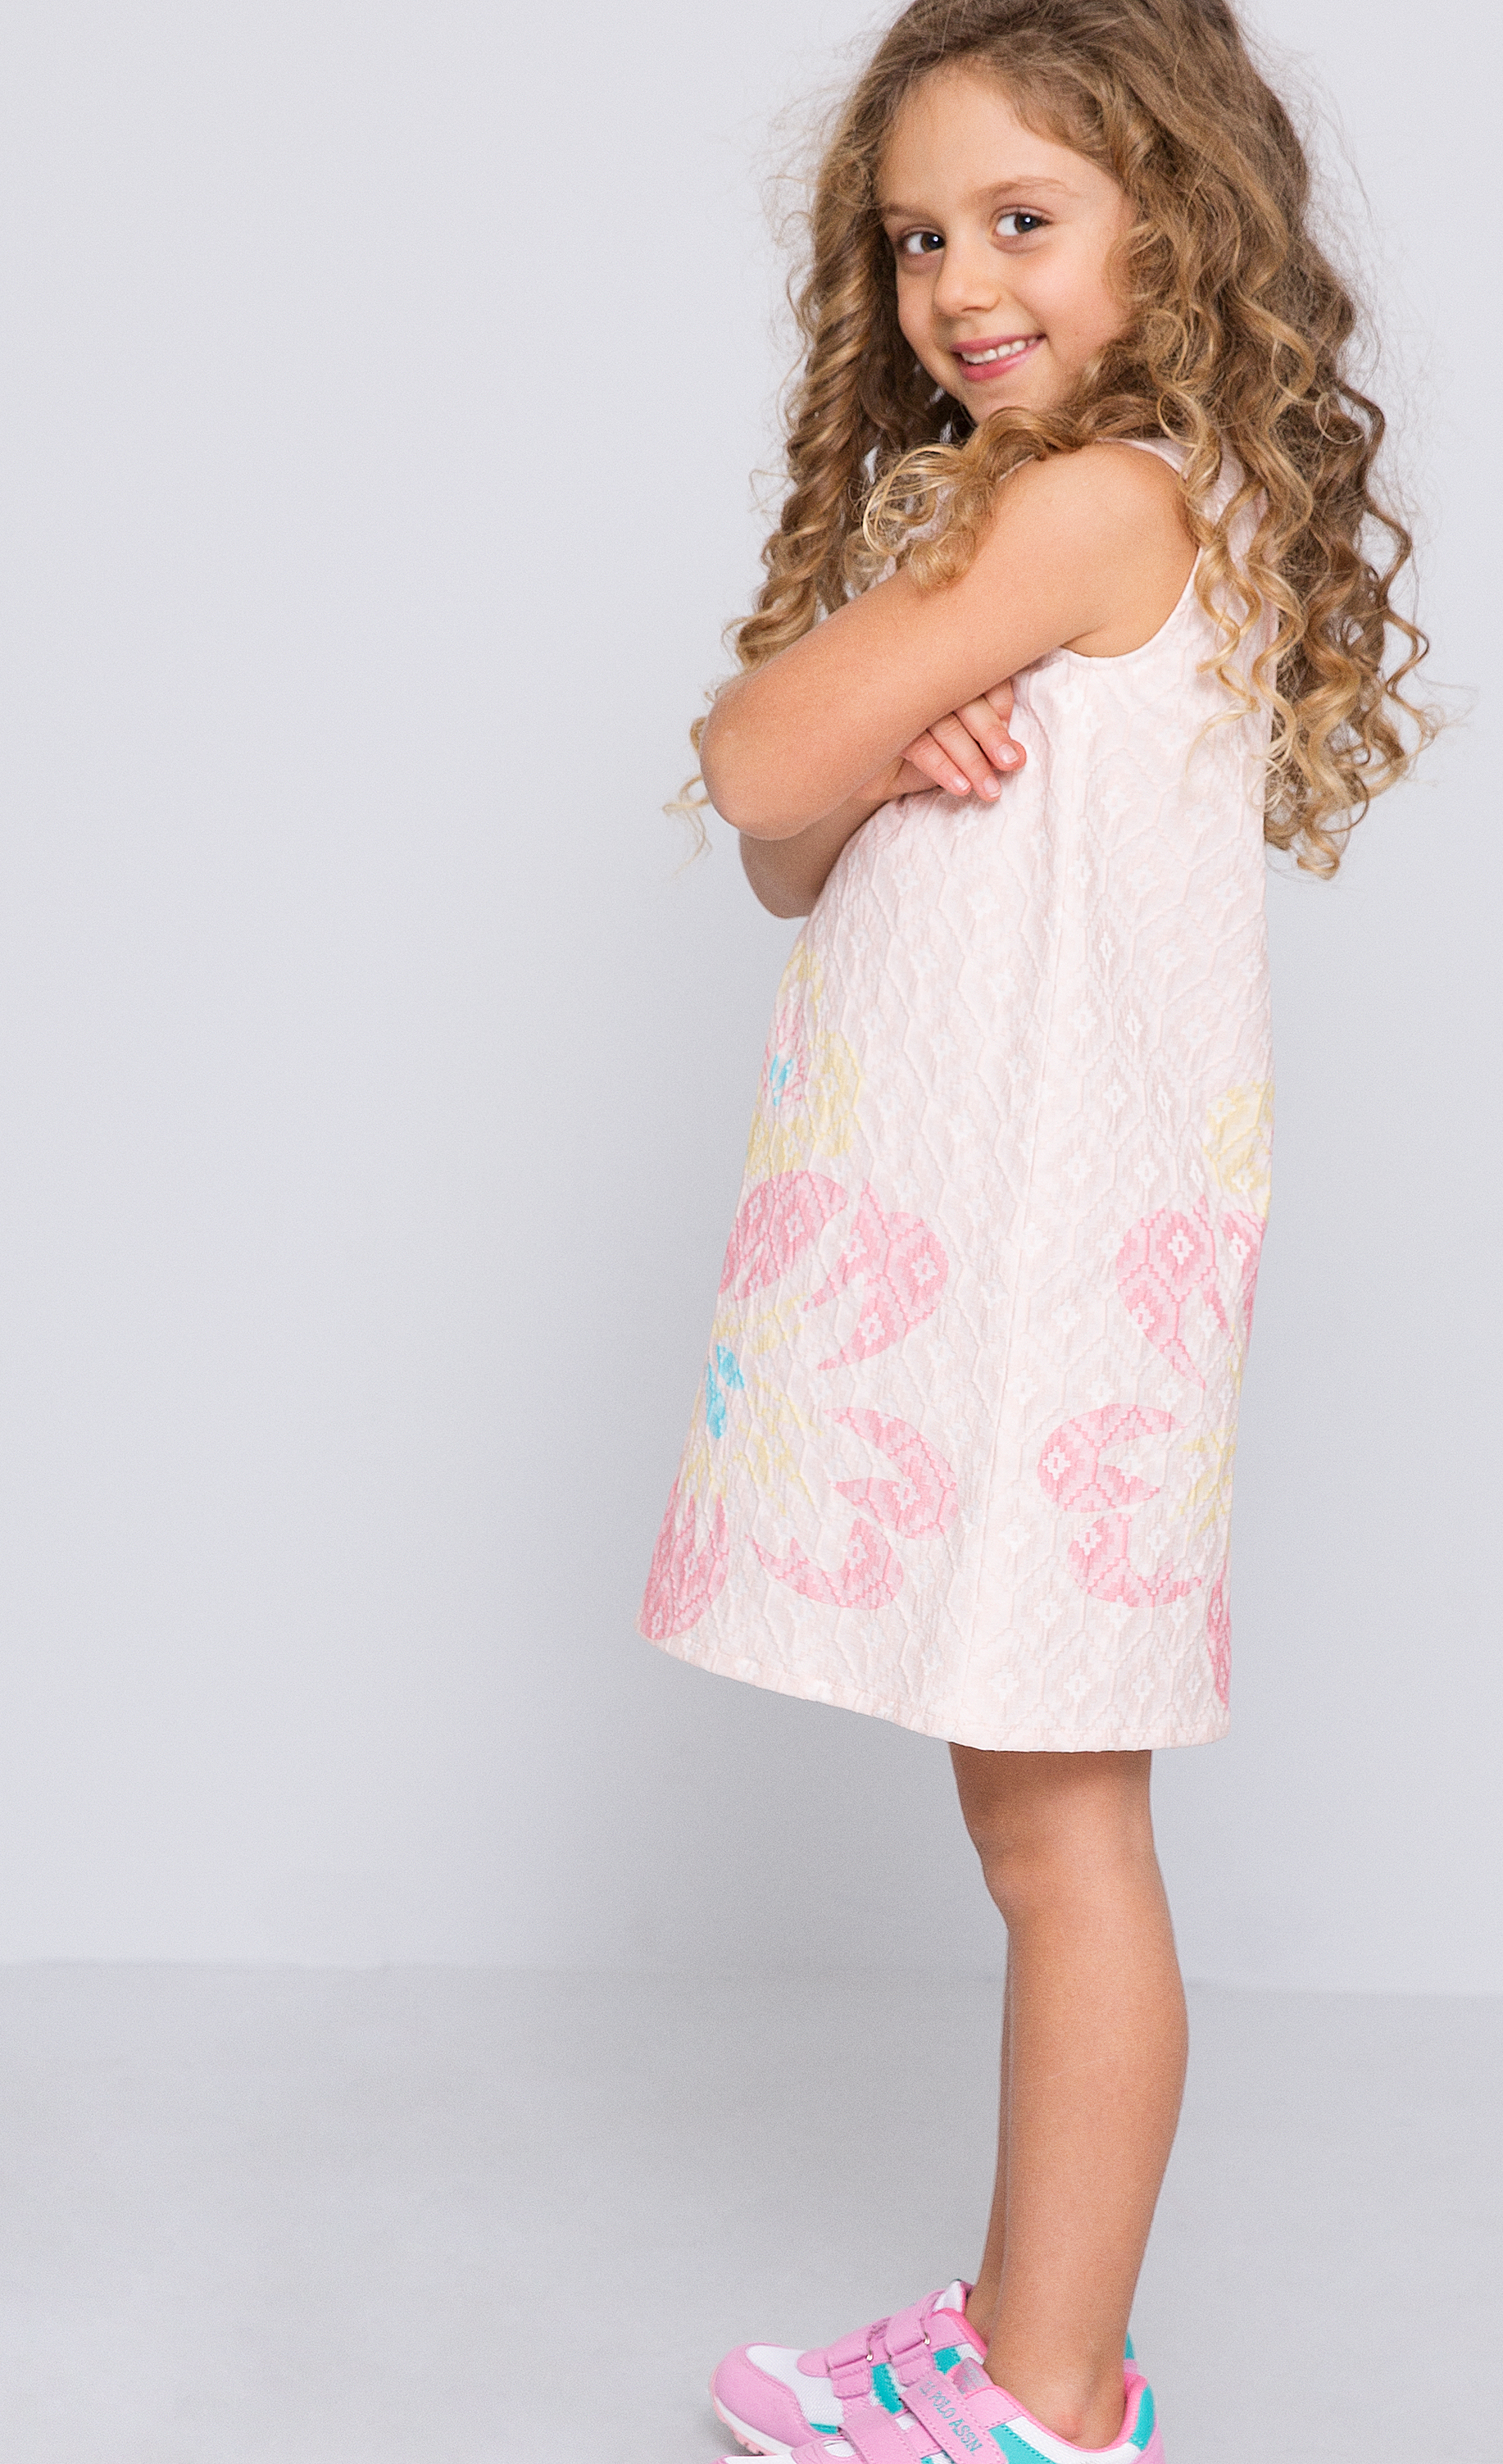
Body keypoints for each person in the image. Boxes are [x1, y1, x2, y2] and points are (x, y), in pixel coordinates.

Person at [639, 2, 1433, 2457]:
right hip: (1025, 1238)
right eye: (913, 239)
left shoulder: (1090, 503)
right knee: (1041, 1820)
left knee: (1063, 1832)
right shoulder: (1047, 517)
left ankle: (1049, 2397)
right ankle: (1023, 2329)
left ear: (1170, 226)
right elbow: (791, 853)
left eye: (1021, 220)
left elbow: (743, 754)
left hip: (1045, 1254)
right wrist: (892, 729)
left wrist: (843, 721)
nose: (958, 285)